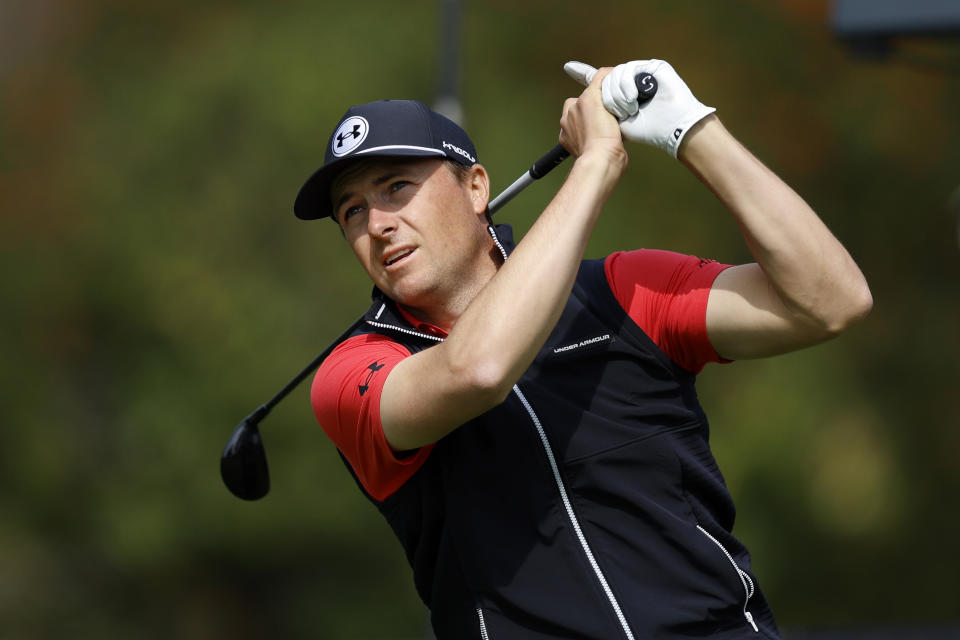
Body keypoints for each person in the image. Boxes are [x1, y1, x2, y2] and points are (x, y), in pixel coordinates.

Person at [293, 59, 872, 639]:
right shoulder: (352, 373)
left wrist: (695, 131)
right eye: (353, 211)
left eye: (397, 187)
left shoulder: (620, 293)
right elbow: (477, 369)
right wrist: (595, 164)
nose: (378, 224)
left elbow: (829, 301)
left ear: (475, 188)